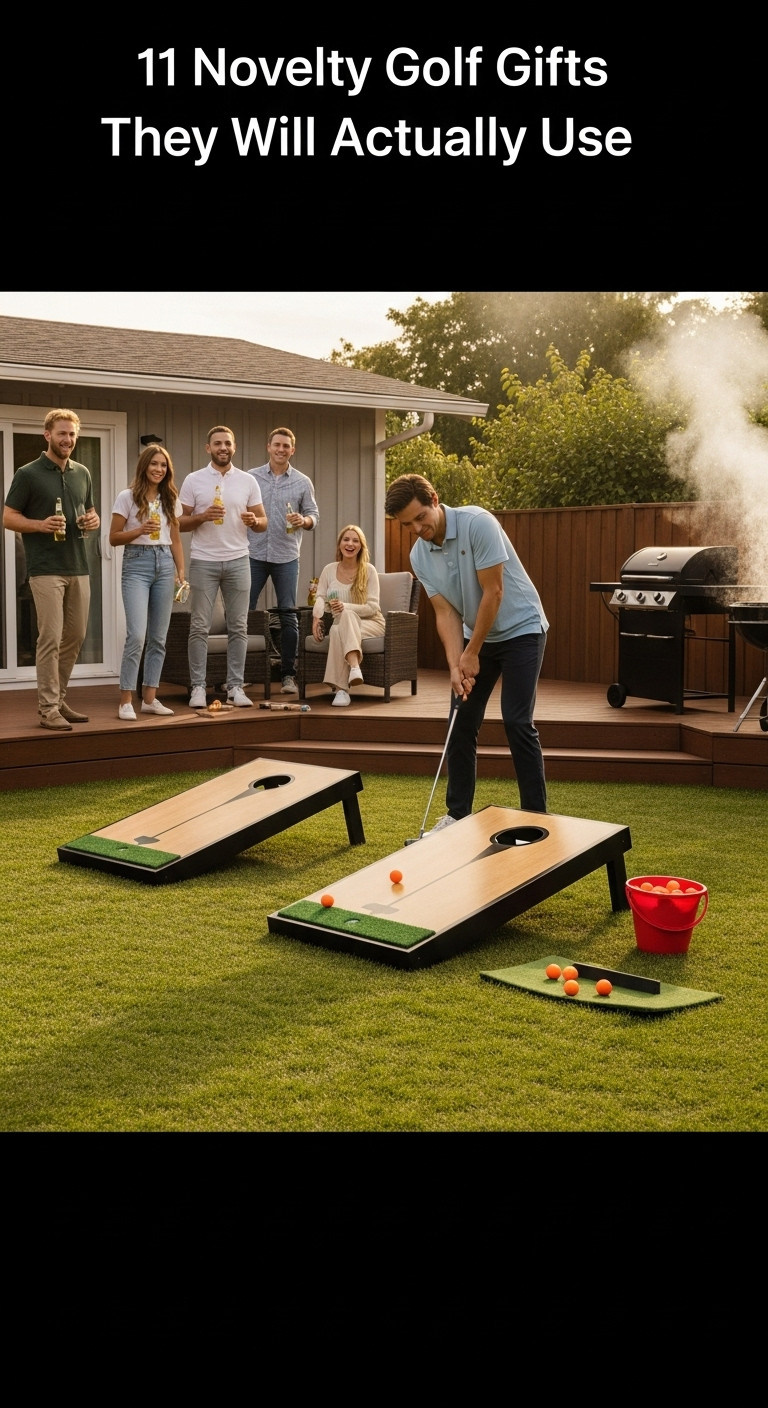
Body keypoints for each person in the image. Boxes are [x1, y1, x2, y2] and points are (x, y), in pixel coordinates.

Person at [384, 473, 548, 828]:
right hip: (477, 636)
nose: (417, 528)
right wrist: (455, 665)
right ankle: (457, 815)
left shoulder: (478, 524)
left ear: (434, 499)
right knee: (460, 722)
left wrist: (472, 652)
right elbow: (446, 612)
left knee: (517, 721)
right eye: (407, 524)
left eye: (420, 517)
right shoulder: (419, 555)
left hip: (521, 629)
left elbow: (495, 592)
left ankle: (537, 819)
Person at [2, 408, 100, 731]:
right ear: (47, 435)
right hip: (45, 568)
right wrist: (39, 525)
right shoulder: (28, 474)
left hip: (78, 565)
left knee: (75, 636)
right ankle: (47, 709)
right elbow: (8, 517)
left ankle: (58, 701)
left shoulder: (82, 473)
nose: (68, 439)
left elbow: (90, 511)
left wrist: (93, 520)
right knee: (51, 638)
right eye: (62, 433)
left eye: (72, 434)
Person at [179, 426, 267, 709]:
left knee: (238, 626)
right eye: (217, 443)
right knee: (199, 626)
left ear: (234, 447)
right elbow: (179, 522)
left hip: (239, 560)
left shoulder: (247, 481)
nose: (223, 447)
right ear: (208, 448)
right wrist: (203, 516)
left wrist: (254, 521)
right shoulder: (194, 480)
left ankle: (236, 687)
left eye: (227, 443)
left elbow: (263, 521)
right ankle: (197, 687)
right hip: (203, 560)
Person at [109, 443, 187, 720]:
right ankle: (126, 700)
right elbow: (113, 537)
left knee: (158, 637)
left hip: (165, 564)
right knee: (137, 635)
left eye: (163, 465)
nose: (159, 469)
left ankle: (150, 699)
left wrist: (181, 571)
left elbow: (176, 539)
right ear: (144, 466)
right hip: (137, 564)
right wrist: (139, 529)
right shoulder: (127, 497)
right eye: (154, 464)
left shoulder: (170, 498)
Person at [247, 427, 319, 696]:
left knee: (289, 615)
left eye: (286, 446)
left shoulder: (302, 482)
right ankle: (245, 674)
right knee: (246, 614)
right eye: (276, 444)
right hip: (253, 554)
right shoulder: (251, 477)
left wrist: (305, 520)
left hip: (286, 556)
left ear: (292, 450)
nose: (281, 449)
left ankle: (288, 675)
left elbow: (314, 514)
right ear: (268, 447)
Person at [311, 525, 385, 706]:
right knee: (337, 629)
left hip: (371, 623)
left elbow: (373, 607)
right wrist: (316, 618)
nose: (350, 544)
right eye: (346, 539)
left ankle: (341, 689)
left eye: (355, 540)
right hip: (342, 624)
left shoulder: (369, 570)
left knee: (345, 619)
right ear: (339, 544)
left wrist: (345, 607)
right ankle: (353, 671)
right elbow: (320, 597)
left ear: (361, 546)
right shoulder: (329, 569)